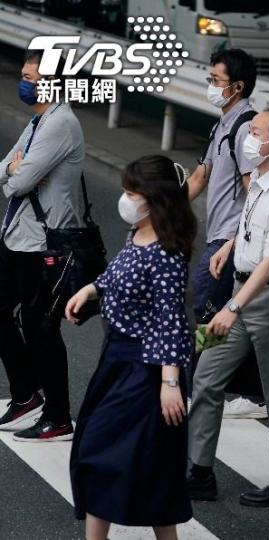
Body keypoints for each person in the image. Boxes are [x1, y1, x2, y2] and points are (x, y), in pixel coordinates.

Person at [66, 155, 196, 540]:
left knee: (118, 458)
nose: (125, 199)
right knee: (120, 457)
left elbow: (169, 319)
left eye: (131, 193)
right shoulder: (139, 233)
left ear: (154, 199)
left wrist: (170, 383)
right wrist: (91, 288)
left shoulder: (168, 254)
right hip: (117, 360)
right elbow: (119, 273)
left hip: (146, 370)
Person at [187, 106, 269, 508]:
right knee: (205, 375)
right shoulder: (259, 178)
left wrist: (232, 308)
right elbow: (249, 225)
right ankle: (199, 472)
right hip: (242, 291)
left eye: (255, 132)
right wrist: (228, 246)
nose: (247, 137)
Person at [0, 50, 85, 441]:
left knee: (42, 329)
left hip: (43, 243)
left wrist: (17, 171)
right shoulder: (40, 119)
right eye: (24, 74)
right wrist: (15, 169)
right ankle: (25, 394)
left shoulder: (60, 124)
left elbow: (15, 182)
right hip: (18, 236)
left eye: (32, 76)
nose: (25, 81)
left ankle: (59, 415)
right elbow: (5, 168)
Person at [185, 48, 267, 420]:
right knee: (221, 313)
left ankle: (198, 389)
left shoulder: (245, 129)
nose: (211, 87)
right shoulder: (223, 123)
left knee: (206, 310)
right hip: (220, 237)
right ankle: (252, 392)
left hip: (230, 240)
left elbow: (256, 193)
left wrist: (234, 242)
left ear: (237, 87)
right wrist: (162, 211)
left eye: (216, 81)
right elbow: (200, 175)